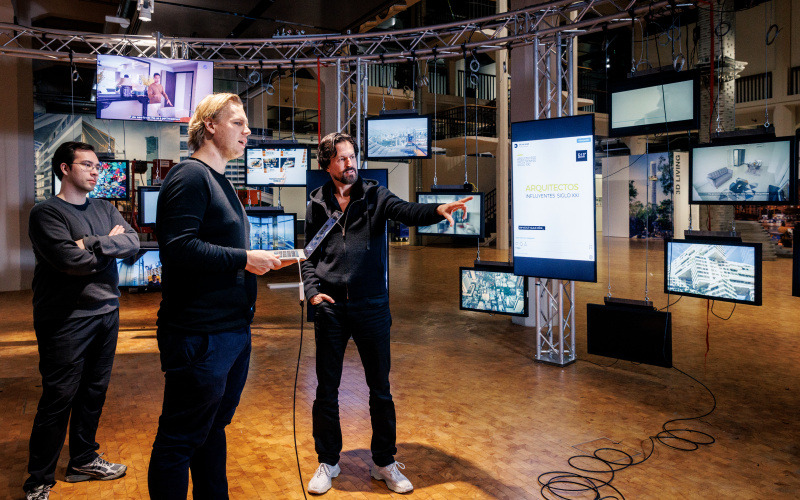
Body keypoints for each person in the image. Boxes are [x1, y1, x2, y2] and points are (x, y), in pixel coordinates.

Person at [300, 132, 471, 495]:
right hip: (331, 310)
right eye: (342, 159)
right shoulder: (317, 204)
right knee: (326, 391)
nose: (350, 164)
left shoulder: (375, 196)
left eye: (352, 157)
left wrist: (436, 211)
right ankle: (328, 462)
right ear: (326, 165)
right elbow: (309, 257)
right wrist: (313, 293)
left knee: (381, 391)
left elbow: (406, 210)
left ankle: (384, 463)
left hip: (372, 307)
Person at [148, 93, 288, 500]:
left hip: (228, 332)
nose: (248, 131)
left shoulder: (220, 180)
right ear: (210, 124)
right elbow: (176, 247)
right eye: (238, 123)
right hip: (197, 335)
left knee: (212, 429)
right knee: (180, 438)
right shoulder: (189, 176)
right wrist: (244, 258)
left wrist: (250, 261)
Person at [25, 141, 140, 500]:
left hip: (106, 313)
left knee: (93, 392)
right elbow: (69, 262)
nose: (95, 171)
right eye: (87, 165)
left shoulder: (105, 208)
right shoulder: (46, 214)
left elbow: (134, 243)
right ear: (64, 168)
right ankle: (39, 479)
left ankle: (82, 460)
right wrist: (109, 245)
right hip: (65, 319)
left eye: (96, 166)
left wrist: (90, 243)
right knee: (59, 396)